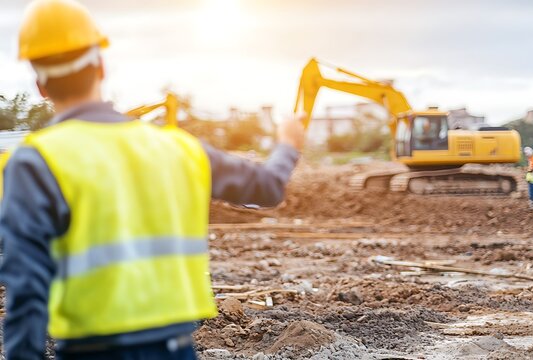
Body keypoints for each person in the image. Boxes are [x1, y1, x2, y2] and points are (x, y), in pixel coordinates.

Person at [0, 0, 305, 359]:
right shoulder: (179, 148)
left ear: (40, 86)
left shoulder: (35, 161)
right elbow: (269, 188)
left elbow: (25, 288)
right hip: (175, 349)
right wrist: (288, 144)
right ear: (100, 67)